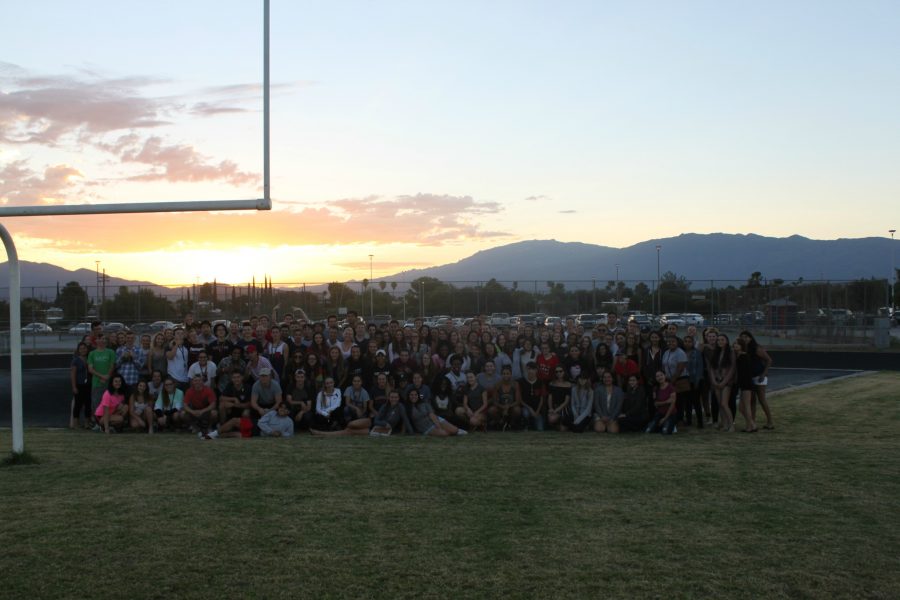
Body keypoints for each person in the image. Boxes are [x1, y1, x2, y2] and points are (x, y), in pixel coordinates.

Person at [740, 330, 775, 429]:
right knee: (752, 401)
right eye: (742, 337)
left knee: (762, 399)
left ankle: (770, 422)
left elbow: (769, 360)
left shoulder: (756, 348)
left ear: (750, 338)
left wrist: (763, 374)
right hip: (749, 377)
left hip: (760, 376)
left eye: (746, 337)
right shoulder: (742, 349)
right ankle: (753, 422)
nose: (744, 339)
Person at [707, 334, 736, 432]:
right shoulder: (716, 352)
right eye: (718, 340)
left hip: (726, 381)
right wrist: (714, 380)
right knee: (719, 404)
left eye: (722, 340)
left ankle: (731, 425)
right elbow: (711, 368)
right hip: (717, 381)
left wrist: (724, 381)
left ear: (727, 341)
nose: (720, 341)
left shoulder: (731, 352)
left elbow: (732, 368)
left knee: (724, 403)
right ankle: (724, 424)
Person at [733, 339, 758, 433]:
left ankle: (752, 425)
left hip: (746, 384)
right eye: (734, 344)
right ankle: (749, 425)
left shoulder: (743, 356)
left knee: (746, 406)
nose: (735, 345)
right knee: (742, 408)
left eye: (738, 344)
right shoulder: (739, 355)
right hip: (743, 384)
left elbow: (745, 372)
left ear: (742, 346)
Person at [87, 335, 116, 411]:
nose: (102, 340)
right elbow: (90, 369)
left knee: (109, 403)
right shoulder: (92, 354)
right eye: (100, 338)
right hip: (97, 382)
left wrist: (107, 376)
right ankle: (96, 422)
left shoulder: (111, 352)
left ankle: (106, 421)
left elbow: (112, 366)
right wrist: (102, 377)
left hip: (108, 383)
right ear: (96, 341)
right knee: (96, 403)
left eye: (104, 339)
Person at [488, 365, 521, 431]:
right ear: (501, 375)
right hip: (500, 407)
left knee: (517, 410)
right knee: (492, 410)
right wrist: (502, 407)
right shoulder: (497, 385)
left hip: (512, 407)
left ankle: (512, 424)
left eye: (507, 373)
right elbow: (494, 401)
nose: (506, 375)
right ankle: (500, 422)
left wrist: (508, 407)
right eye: (504, 374)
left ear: (511, 374)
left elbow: (518, 401)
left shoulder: (515, 384)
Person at [645, 371, 677, 435]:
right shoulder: (656, 388)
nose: (659, 377)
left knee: (665, 432)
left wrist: (665, 418)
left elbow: (672, 405)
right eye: (657, 376)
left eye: (661, 375)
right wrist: (666, 401)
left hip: (670, 414)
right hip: (660, 413)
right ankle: (664, 425)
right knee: (648, 431)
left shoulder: (671, 387)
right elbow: (656, 404)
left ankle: (670, 426)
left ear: (665, 376)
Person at [70, 342, 92, 429]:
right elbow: (73, 374)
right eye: (81, 348)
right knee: (78, 404)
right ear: (78, 350)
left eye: (85, 348)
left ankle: (86, 423)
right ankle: (76, 423)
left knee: (88, 404)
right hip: (79, 385)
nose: (83, 350)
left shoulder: (89, 358)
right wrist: (74, 387)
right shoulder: (75, 360)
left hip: (88, 385)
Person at [519, 362, 546, 431]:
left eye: (533, 369)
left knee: (540, 429)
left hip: (537, 409)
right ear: (526, 370)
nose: (531, 371)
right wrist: (530, 408)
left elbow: (541, 398)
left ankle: (533, 423)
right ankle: (525, 425)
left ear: (536, 370)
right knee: (526, 413)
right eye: (529, 369)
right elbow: (520, 399)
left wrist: (537, 411)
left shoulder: (540, 382)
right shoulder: (521, 382)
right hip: (526, 407)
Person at [547, 365, 572, 430]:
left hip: (564, 408)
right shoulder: (552, 383)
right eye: (557, 372)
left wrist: (556, 410)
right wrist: (551, 408)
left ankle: (562, 424)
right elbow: (550, 397)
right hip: (554, 406)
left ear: (564, 372)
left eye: (560, 371)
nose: (558, 373)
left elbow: (566, 401)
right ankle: (557, 425)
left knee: (562, 429)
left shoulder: (568, 384)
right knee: (551, 419)